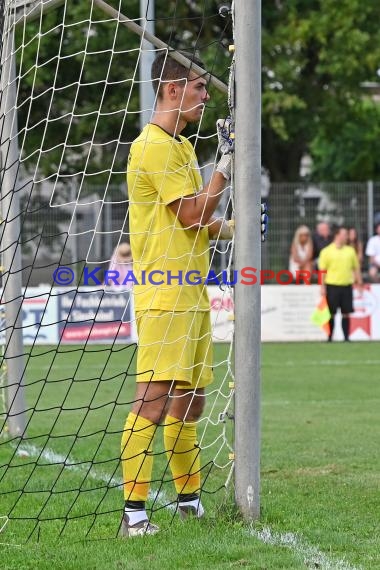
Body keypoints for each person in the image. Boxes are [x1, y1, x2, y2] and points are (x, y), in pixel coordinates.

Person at [120, 50, 238, 537]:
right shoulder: (151, 146)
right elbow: (190, 214)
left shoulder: (184, 148)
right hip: (164, 294)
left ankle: (188, 502)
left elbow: (199, 221)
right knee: (153, 398)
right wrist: (225, 168)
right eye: (199, 87)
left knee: (191, 402)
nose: (207, 95)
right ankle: (134, 515)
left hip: (192, 292)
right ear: (172, 90)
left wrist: (234, 229)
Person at [319, 226, 363, 342]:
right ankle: (330, 337)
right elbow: (322, 271)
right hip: (332, 286)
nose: (346, 237)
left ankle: (346, 337)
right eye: (344, 234)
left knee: (346, 313)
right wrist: (322, 287)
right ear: (337, 235)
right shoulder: (326, 251)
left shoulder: (350, 251)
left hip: (346, 286)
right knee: (331, 313)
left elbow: (356, 268)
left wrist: (359, 283)